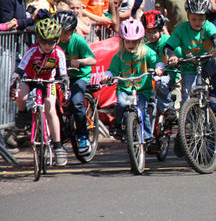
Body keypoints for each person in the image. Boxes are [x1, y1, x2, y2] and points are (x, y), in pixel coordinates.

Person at [10, 17, 69, 166]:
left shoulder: (59, 53)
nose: (47, 45)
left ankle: (58, 146)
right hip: (31, 79)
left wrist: (64, 82)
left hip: (48, 80)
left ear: (56, 40)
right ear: (38, 40)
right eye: (43, 41)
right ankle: (23, 114)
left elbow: (63, 73)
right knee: (20, 95)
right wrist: (14, 81)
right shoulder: (32, 51)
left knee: (50, 110)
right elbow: (20, 69)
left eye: (51, 42)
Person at [163, 0, 216, 108]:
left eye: (201, 19)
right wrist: (172, 56)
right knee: (187, 100)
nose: (198, 22)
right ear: (188, 16)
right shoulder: (182, 29)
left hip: (207, 65)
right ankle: (188, 122)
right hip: (190, 67)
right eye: (193, 19)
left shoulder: (208, 26)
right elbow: (168, 47)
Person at [101, 18, 164, 141]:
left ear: (140, 41)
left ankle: (147, 136)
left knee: (142, 110)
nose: (130, 45)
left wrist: (158, 68)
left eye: (134, 42)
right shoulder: (119, 56)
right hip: (125, 89)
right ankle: (118, 125)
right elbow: (112, 70)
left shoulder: (147, 52)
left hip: (142, 90)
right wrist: (107, 75)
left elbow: (158, 62)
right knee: (121, 104)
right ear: (122, 41)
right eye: (127, 42)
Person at [56, 10, 97, 156]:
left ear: (72, 31)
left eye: (66, 33)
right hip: (60, 76)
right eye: (59, 32)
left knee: (77, 102)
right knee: (53, 103)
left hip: (78, 76)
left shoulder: (78, 41)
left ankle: (83, 136)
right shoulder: (53, 40)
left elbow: (93, 60)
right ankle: (58, 138)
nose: (61, 36)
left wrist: (79, 62)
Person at [141, 10, 178, 128]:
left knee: (161, 84)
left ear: (161, 30)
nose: (151, 35)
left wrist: (174, 58)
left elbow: (178, 54)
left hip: (171, 76)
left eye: (154, 32)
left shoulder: (169, 41)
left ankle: (169, 108)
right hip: (150, 78)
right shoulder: (142, 44)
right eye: (148, 32)